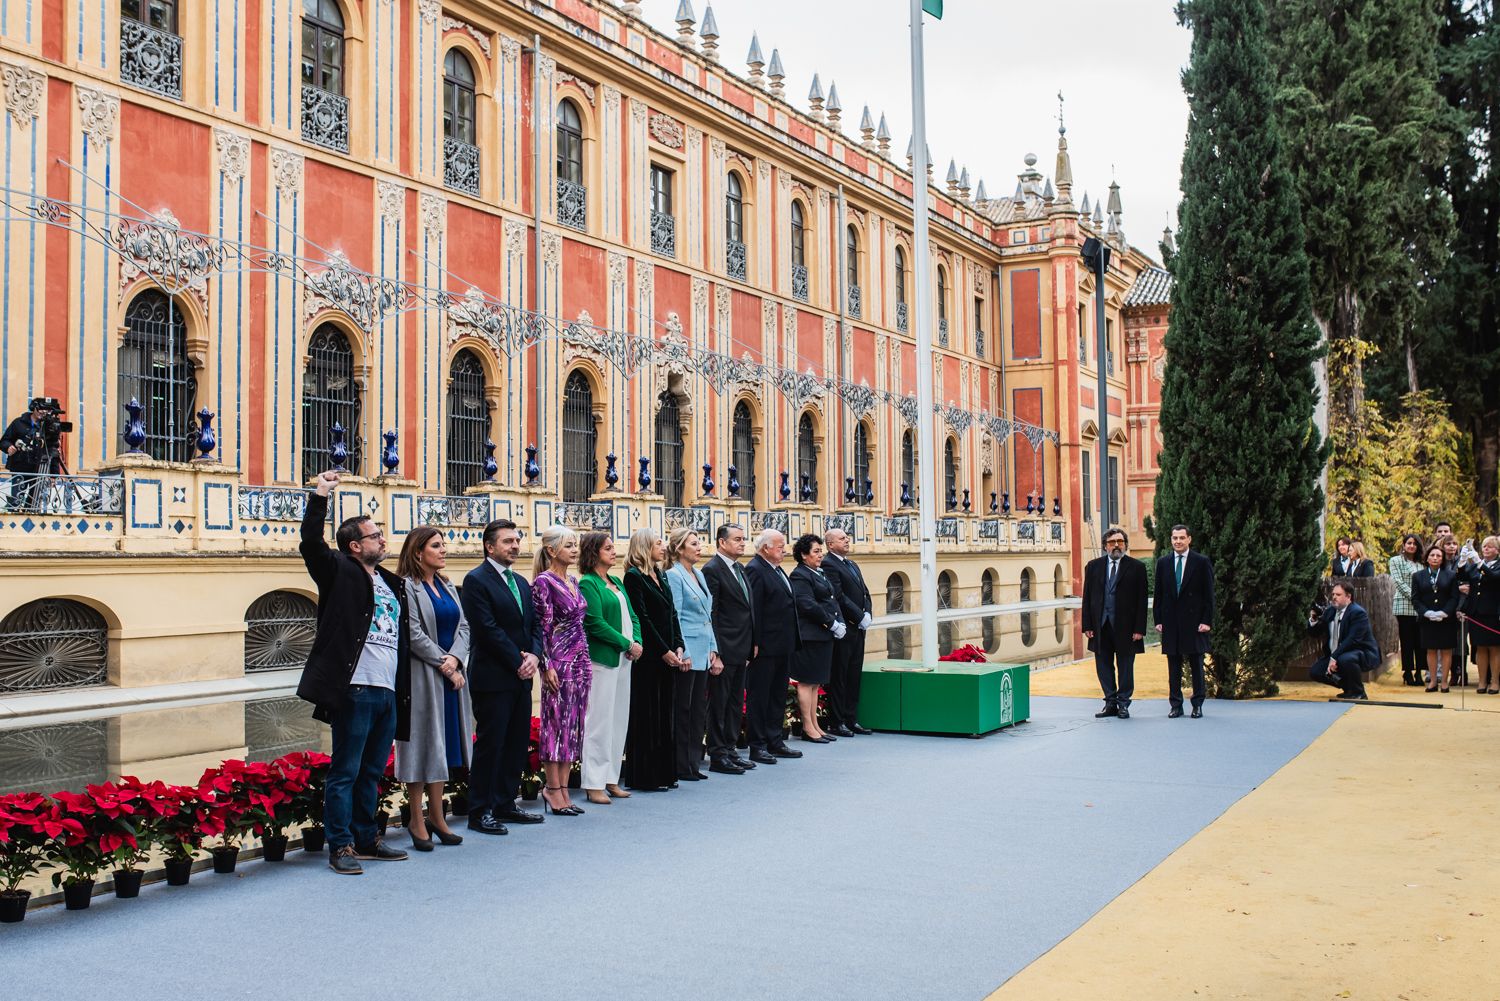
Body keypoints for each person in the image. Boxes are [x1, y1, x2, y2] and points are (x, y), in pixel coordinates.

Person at [296, 470, 411, 874]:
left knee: (373, 771)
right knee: (345, 770)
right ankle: (340, 845)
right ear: (354, 545)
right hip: (356, 688)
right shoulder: (338, 570)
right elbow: (311, 544)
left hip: (386, 690)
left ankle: (367, 839)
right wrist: (320, 495)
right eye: (375, 536)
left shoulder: (390, 582)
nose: (383, 540)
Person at [460, 519, 545, 836]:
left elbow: (534, 626)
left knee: (516, 742)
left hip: (522, 675)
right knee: (491, 744)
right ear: (489, 546)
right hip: (493, 676)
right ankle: (479, 810)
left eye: (516, 540)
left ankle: (506, 803)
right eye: (507, 541)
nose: (514, 546)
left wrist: (535, 656)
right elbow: (486, 629)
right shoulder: (476, 581)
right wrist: (517, 660)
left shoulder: (521, 582)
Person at [394, 526, 472, 850]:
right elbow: (411, 633)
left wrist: (456, 659)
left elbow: (465, 627)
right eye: (436, 546)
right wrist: (445, 664)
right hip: (423, 677)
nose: (444, 550)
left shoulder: (447, 585)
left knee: (443, 746)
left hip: (450, 676)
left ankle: (438, 817)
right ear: (417, 552)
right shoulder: (407, 587)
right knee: (421, 745)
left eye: (443, 545)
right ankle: (416, 817)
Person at [531, 525, 592, 817]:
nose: (574, 549)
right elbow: (542, 627)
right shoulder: (544, 582)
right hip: (558, 661)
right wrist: (546, 665)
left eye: (575, 545)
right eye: (568, 545)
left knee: (574, 725)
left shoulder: (573, 580)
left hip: (580, 659)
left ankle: (565, 790)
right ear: (552, 550)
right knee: (556, 725)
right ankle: (552, 789)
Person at [578, 532, 643, 805]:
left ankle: (611, 778)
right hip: (604, 659)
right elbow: (594, 622)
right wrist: (626, 642)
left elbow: (633, 615)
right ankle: (593, 783)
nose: (613, 551)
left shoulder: (616, 581)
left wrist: (637, 641)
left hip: (625, 659)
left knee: (618, 720)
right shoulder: (588, 583)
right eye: (607, 548)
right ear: (594, 552)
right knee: (599, 722)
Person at [621, 529, 686, 791]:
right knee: (648, 714)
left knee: (664, 713)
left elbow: (671, 613)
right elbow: (643, 619)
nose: (663, 547)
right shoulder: (633, 577)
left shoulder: (659, 574)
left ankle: (665, 773)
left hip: (668, 654)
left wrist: (678, 645)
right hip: (649, 657)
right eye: (658, 543)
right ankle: (646, 775)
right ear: (645, 547)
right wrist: (663, 651)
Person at [743, 529, 805, 763]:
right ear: (766, 548)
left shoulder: (777, 569)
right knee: (760, 696)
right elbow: (754, 610)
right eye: (780, 546)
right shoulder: (756, 570)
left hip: (783, 644)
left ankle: (775, 740)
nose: (785, 549)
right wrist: (755, 642)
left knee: (777, 694)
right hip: (765, 646)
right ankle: (757, 745)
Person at [701, 524, 758, 775]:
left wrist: (753, 642)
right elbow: (711, 612)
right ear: (722, 543)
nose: (742, 543)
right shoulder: (712, 569)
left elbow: (748, 609)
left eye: (743, 539)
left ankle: (731, 748)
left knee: (735, 703)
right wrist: (717, 652)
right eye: (737, 539)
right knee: (720, 704)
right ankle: (718, 754)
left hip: (743, 647)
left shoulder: (740, 568)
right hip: (725, 648)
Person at [666, 528, 721, 782]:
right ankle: (679, 764)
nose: (700, 548)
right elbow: (674, 615)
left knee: (698, 708)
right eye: (694, 544)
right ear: (679, 549)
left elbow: (707, 616)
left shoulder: (698, 573)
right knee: (684, 709)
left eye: (699, 543)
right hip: (687, 651)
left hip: (703, 649)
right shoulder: (673, 575)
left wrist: (713, 648)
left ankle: (693, 761)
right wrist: (683, 651)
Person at [1080, 527, 1149, 719]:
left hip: (1127, 628)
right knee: (1103, 666)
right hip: (1100, 626)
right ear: (1105, 546)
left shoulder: (1136, 567)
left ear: (1125, 545)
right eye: (1112, 542)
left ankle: (1123, 703)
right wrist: (1087, 625)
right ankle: (1110, 702)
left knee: (1126, 666)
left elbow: (1141, 601)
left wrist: (1139, 629)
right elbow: (1087, 598)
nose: (1116, 546)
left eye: (1120, 542)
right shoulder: (1093, 566)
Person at [788, 533, 844, 743]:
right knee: (805, 682)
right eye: (816, 551)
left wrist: (839, 622)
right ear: (804, 555)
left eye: (821, 551)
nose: (820, 555)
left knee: (815, 682)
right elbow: (807, 604)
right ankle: (808, 727)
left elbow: (831, 599)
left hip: (822, 635)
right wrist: (831, 622)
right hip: (809, 635)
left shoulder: (818, 572)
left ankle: (816, 724)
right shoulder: (800, 575)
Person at [1154, 524, 1215, 718]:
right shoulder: (1163, 563)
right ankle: (1176, 705)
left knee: (1196, 664)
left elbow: (1209, 595)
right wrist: (1158, 619)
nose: (1178, 541)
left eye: (1181, 538)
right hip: (1171, 622)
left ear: (1189, 539)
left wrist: (1206, 620)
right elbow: (1159, 594)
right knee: (1173, 665)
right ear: (1171, 539)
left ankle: (1197, 704)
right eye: (1175, 538)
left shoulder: (1201, 562)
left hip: (1195, 622)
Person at [821, 527, 874, 736]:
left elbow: (865, 592)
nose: (847, 540)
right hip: (845, 628)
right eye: (842, 538)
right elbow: (839, 596)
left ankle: (852, 718)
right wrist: (859, 617)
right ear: (830, 544)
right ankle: (837, 720)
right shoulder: (829, 563)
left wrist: (868, 612)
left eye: (847, 537)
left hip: (859, 629)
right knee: (840, 675)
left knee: (854, 674)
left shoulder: (851, 563)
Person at [1306, 581, 1379, 699]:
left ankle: (1359, 692)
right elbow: (1315, 633)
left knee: (1345, 659)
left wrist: (1334, 658)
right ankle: (1349, 688)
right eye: (1333, 594)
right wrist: (1314, 619)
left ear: (1348, 597)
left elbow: (1353, 640)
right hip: (1337, 655)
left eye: (1338, 595)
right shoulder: (1330, 611)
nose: (1334, 597)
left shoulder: (1358, 613)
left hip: (1361, 653)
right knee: (1316, 671)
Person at [1413, 543, 1460, 692]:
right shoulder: (1418, 576)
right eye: (1432, 555)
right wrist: (1426, 613)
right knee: (1431, 650)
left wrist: (1444, 612)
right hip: (1427, 619)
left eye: (1438, 556)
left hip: (1446, 619)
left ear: (1442, 559)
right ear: (1427, 558)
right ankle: (1433, 681)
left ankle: (1444, 681)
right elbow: (1415, 598)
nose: (1435, 558)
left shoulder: (1451, 575)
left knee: (1446, 650)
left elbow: (1454, 597)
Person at [1460, 536, 1500, 694]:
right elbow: (1462, 577)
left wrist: (1479, 562)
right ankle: (1482, 681)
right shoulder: (1475, 565)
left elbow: (1494, 577)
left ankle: (1495, 682)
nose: (1486, 549)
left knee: (1495, 648)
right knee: (1480, 647)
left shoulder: (1496, 565)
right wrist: (1462, 561)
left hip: (1492, 611)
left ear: (1497, 550)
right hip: (1476, 612)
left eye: (1490, 547)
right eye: (1484, 546)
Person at [1, 399, 54, 512]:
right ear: (33, 408)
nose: (43, 412)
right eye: (40, 409)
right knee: (16, 500)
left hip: (38, 468)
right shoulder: (18, 423)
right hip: (20, 467)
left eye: (46, 410)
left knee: (33, 504)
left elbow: (52, 450)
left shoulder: (47, 426)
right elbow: (4, 441)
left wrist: (54, 475)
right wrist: (8, 447)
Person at [1389, 534, 1425, 686]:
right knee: (1407, 641)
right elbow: (1398, 581)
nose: (1411, 546)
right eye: (1409, 543)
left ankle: (1419, 672)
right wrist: (1414, 597)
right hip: (1404, 605)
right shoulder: (1395, 561)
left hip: (1421, 607)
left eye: (1414, 544)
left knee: (1420, 641)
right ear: (1403, 545)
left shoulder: (1421, 563)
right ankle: (1408, 672)